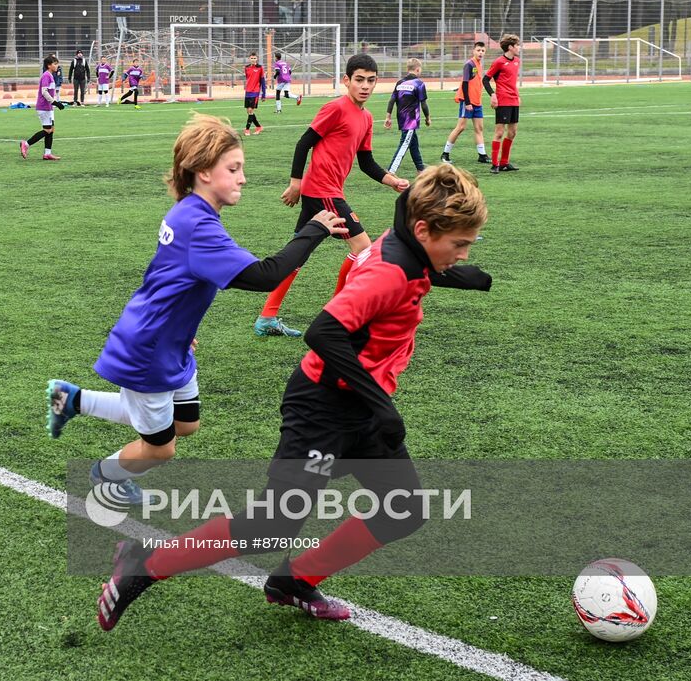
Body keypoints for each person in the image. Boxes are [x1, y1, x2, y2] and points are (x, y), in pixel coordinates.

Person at [95, 164, 491, 632]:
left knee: (403, 509)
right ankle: (145, 563)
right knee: (269, 527)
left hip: (359, 407)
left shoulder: (408, 245)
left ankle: (294, 580)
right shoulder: (389, 271)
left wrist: (465, 275)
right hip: (322, 408)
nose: (462, 252)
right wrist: (383, 407)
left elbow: (413, 259)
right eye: (459, 245)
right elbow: (324, 332)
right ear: (423, 230)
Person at [46, 114, 347, 505]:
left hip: (169, 340)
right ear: (204, 172)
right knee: (160, 448)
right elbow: (264, 276)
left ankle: (71, 399)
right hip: (149, 349)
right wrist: (314, 229)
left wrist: (180, 330)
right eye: (234, 168)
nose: (242, 178)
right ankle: (105, 476)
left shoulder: (192, 211)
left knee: (186, 423)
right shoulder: (197, 225)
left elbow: (170, 279)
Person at [254, 54, 409, 338]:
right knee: (364, 248)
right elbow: (304, 144)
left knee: (297, 255)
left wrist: (393, 182)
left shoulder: (366, 118)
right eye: (359, 80)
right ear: (346, 81)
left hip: (326, 191)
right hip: (322, 192)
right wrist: (295, 184)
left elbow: (366, 163)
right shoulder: (336, 108)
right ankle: (338, 316)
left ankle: (267, 318)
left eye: (370, 81)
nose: (365, 86)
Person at [442, 41, 491, 165]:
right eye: (478, 50)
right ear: (473, 51)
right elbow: (464, 84)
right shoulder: (469, 65)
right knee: (461, 127)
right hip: (467, 101)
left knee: (479, 128)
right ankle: (445, 154)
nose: (480, 53)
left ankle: (482, 155)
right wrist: (467, 102)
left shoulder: (479, 65)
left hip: (477, 102)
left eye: (483, 51)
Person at [385, 58, 431, 174]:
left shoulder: (400, 83)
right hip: (411, 120)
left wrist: (388, 116)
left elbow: (392, 100)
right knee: (404, 144)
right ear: (418, 69)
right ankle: (391, 170)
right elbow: (423, 104)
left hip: (401, 118)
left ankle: (420, 168)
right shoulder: (419, 84)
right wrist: (428, 118)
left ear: (407, 69)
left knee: (413, 143)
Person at [483, 34, 522, 173]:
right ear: (510, 47)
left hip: (514, 100)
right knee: (499, 132)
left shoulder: (517, 61)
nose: (519, 47)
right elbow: (485, 80)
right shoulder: (499, 62)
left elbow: (511, 82)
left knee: (512, 132)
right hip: (503, 100)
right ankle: (495, 164)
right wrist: (493, 95)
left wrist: (517, 96)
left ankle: (504, 163)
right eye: (517, 45)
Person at [19, 55, 64, 161]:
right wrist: (55, 102)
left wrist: (55, 103)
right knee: (47, 130)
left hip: (48, 107)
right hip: (44, 107)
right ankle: (26, 144)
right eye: (55, 63)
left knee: (51, 129)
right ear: (49, 65)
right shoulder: (46, 76)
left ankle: (47, 153)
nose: (57, 65)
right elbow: (44, 92)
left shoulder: (51, 75)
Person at [243, 53, 265, 135]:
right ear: (249, 59)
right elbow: (248, 78)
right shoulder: (246, 68)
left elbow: (263, 81)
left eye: (254, 58)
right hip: (248, 92)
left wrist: (263, 94)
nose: (253, 59)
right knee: (248, 112)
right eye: (251, 58)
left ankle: (247, 129)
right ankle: (259, 127)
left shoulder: (260, 68)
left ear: (257, 59)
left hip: (255, 92)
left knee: (250, 110)